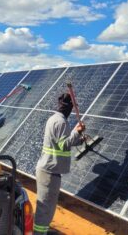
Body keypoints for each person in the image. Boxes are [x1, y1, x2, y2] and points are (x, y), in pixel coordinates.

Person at [34, 93, 85, 235]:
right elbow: (63, 144)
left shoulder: (55, 119)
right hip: (49, 172)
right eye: (74, 107)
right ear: (69, 107)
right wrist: (77, 131)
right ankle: (38, 233)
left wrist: (79, 139)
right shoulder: (61, 122)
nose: (74, 111)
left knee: (47, 208)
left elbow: (60, 142)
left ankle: (41, 232)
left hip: (49, 170)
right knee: (45, 208)